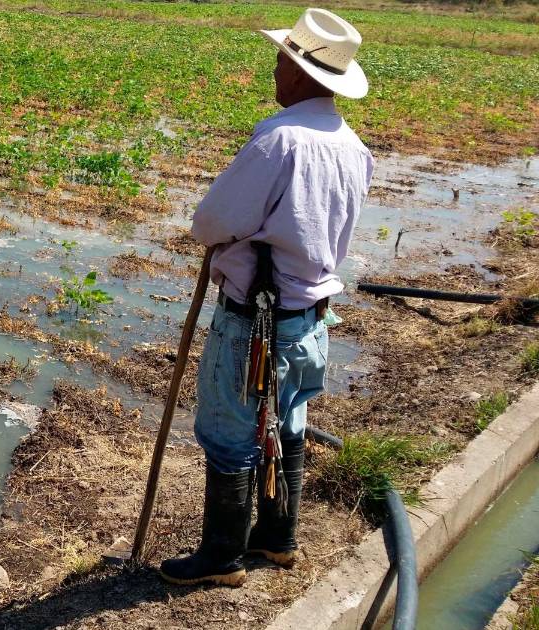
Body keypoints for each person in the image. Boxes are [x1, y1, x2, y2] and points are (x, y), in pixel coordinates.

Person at [159, 7, 374, 587]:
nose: (275, 70)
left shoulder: (279, 141)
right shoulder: (352, 146)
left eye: (281, 61)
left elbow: (212, 222)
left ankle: (221, 558)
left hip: (254, 322)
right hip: (310, 319)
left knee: (230, 432)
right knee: (289, 422)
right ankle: (278, 540)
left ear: (302, 73)